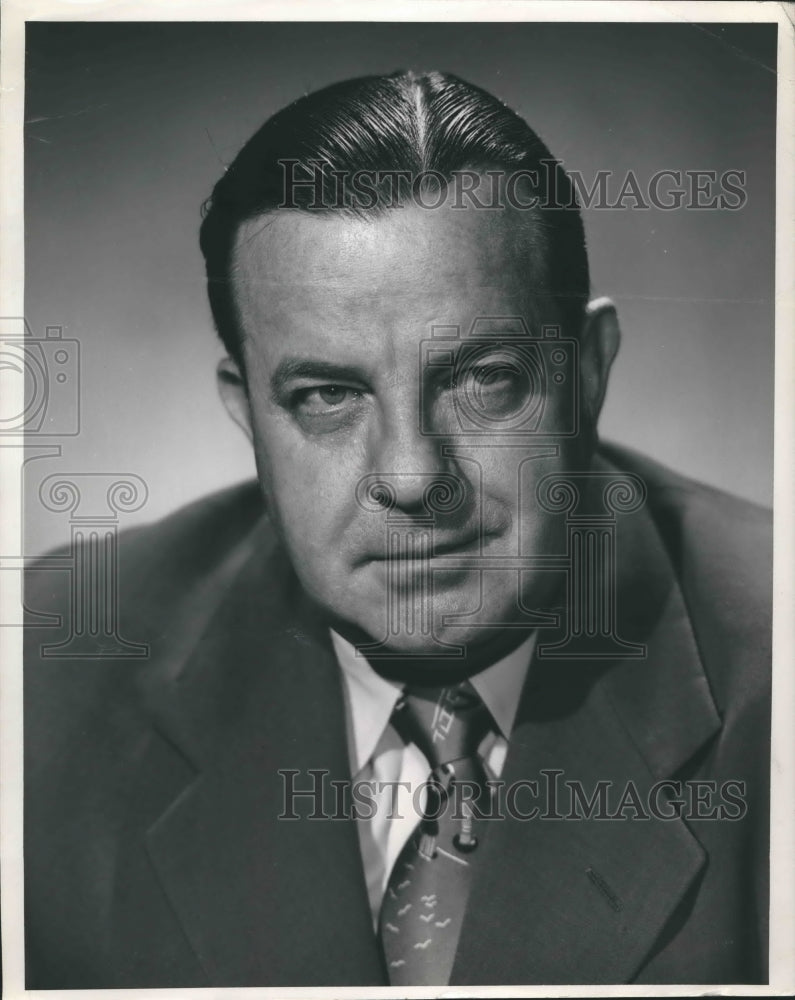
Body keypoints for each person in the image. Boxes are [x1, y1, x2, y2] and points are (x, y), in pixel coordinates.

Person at [24, 71, 771, 988]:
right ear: (247, 410)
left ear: (585, 372)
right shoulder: (42, 689)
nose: (413, 477)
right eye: (328, 396)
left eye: (481, 379)